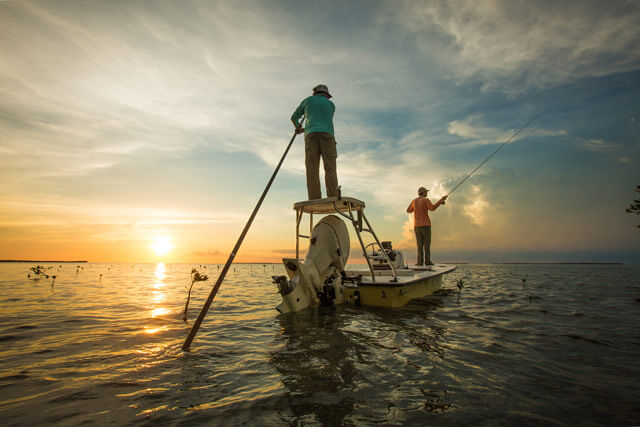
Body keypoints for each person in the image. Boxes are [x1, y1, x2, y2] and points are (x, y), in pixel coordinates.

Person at [291, 84, 339, 200]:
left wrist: (298, 127)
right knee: (330, 167)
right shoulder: (331, 105)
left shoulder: (308, 100)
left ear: (314, 92)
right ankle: (333, 196)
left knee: (312, 168)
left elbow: (294, 117)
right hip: (328, 136)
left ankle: (314, 197)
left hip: (311, 135)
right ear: (326, 95)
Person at [406, 187, 447, 266]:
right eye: (426, 192)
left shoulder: (414, 201)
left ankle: (419, 262)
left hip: (417, 226)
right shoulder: (426, 200)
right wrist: (441, 200)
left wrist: (417, 208)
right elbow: (432, 208)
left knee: (419, 245)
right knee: (427, 245)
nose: (427, 193)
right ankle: (427, 261)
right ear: (423, 192)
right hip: (426, 225)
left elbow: (408, 210)